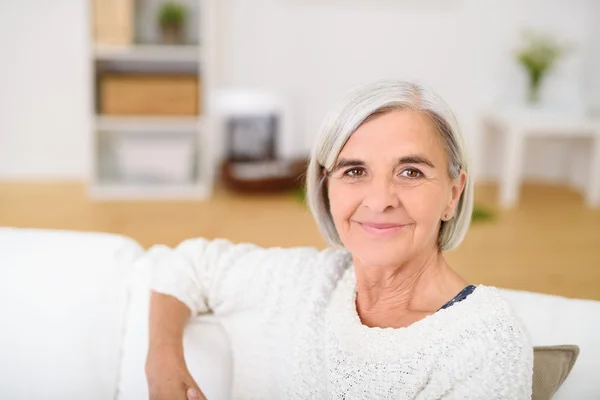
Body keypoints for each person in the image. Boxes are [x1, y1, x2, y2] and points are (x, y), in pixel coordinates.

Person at [144, 80, 534, 399]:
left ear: (453, 193)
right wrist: (163, 365)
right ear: (326, 188)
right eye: (355, 171)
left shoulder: (486, 343)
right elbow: (186, 265)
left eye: (411, 172)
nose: (380, 201)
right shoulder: (306, 280)